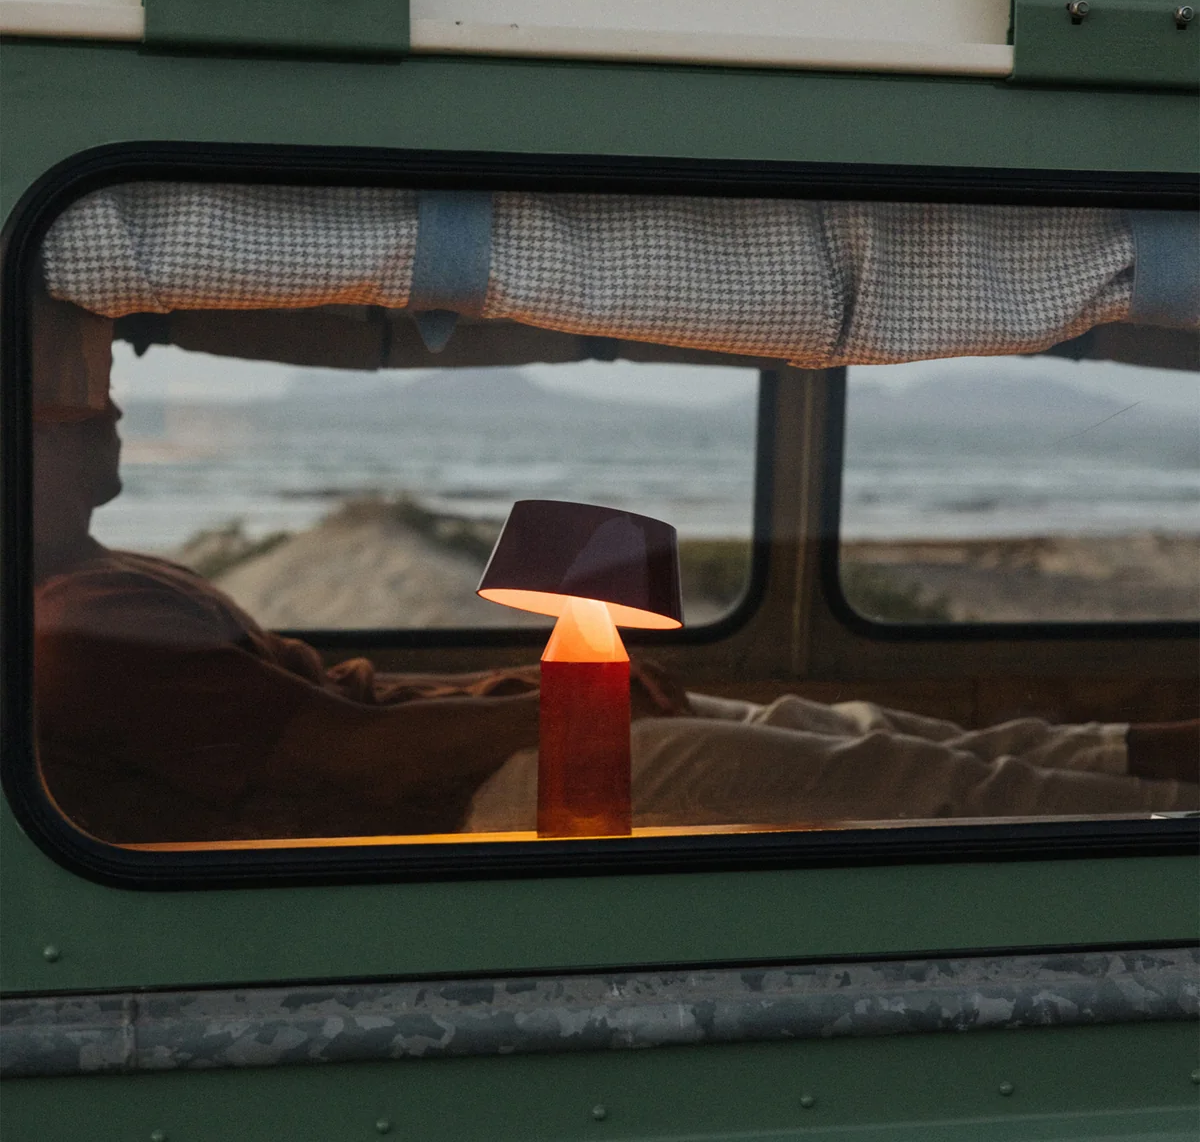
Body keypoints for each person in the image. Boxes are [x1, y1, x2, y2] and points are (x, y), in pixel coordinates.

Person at [33, 399, 1198, 845]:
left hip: (479, 763)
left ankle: (1147, 751)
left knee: (836, 719)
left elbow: (349, 704)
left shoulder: (102, 577)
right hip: (468, 805)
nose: (112, 411)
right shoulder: (76, 631)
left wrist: (493, 693)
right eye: (74, 406)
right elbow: (341, 759)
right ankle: (1160, 833)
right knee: (880, 777)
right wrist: (546, 709)